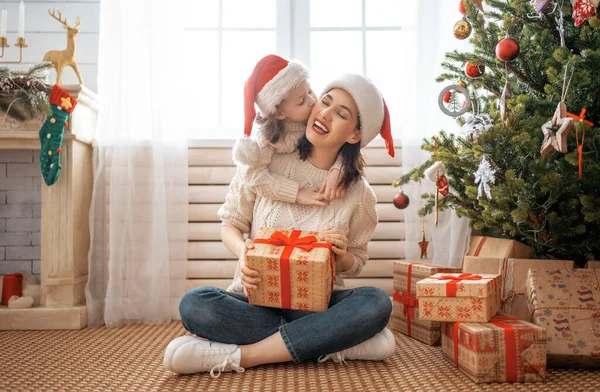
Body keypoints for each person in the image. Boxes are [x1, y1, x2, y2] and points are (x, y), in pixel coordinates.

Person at [164, 74, 396, 378]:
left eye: (341, 114)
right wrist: (243, 253)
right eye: (325, 101)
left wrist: (342, 257)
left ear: (354, 135)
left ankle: (246, 355)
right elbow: (230, 225)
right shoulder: (266, 161)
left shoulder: (359, 195)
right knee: (195, 304)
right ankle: (331, 341)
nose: (325, 113)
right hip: (253, 300)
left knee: (376, 302)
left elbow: (357, 262)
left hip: (316, 306)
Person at [235, 54, 345, 207]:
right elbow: (253, 176)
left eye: (310, 91)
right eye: (302, 101)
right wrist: (297, 194)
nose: (313, 101)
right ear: (280, 114)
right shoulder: (266, 140)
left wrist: (338, 169)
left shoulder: (316, 117)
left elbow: (343, 142)